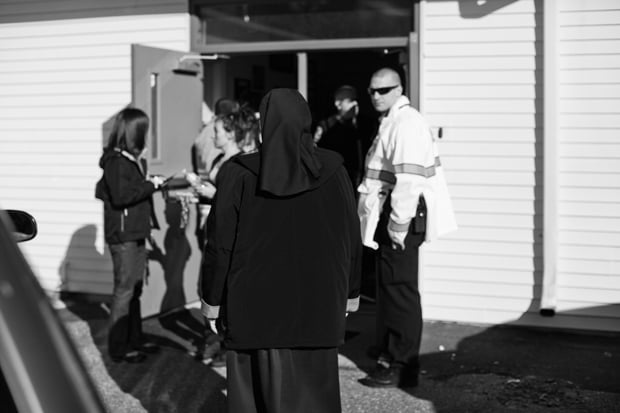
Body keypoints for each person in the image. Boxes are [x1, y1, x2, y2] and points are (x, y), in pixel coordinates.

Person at [200, 88, 361, 413]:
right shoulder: (334, 170)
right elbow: (350, 238)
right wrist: (350, 295)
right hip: (317, 312)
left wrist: (212, 303)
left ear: (264, 126)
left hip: (252, 312)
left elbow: (220, 245)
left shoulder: (237, 173)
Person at [357, 68, 457, 388]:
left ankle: (402, 363)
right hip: (395, 214)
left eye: (384, 90)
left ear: (400, 89)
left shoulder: (406, 123)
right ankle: (390, 351)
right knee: (389, 286)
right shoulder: (393, 120)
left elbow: (409, 180)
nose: (376, 95)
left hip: (403, 215)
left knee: (399, 288)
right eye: (372, 90)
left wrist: (398, 225)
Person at [187, 106, 260, 367]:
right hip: (210, 225)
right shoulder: (220, 159)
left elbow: (236, 202)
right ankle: (214, 341)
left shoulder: (238, 163)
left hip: (223, 231)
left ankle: (222, 344)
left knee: (219, 286)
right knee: (206, 284)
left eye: (216, 131)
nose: (212, 136)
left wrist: (211, 193)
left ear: (230, 134)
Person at [95, 107, 165, 363]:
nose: (147, 135)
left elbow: (130, 191)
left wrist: (149, 184)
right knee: (124, 291)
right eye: (144, 130)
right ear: (134, 132)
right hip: (123, 236)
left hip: (133, 232)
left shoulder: (127, 159)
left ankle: (135, 339)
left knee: (134, 290)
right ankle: (118, 348)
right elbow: (122, 196)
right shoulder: (115, 161)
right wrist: (151, 185)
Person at [313, 85, 370, 191]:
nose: (355, 104)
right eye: (350, 100)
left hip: (360, 180)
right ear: (338, 104)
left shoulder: (365, 124)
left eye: (356, 100)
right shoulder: (326, 126)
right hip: (336, 179)